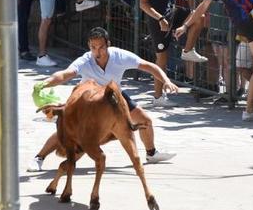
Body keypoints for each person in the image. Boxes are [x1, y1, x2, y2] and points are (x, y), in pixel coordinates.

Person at [27, 27, 178, 172]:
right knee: (68, 131)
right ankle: (39, 158)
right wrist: (45, 83)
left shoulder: (120, 56)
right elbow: (66, 74)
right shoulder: (85, 60)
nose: (97, 52)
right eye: (93, 47)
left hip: (113, 96)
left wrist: (166, 81)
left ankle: (151, 153)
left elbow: (150, 66)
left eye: (101, 47)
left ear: (108, 44)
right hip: (89, 101)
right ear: (89, 46)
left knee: (145, 120)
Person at [139, 0, 222, 104]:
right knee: (161, 59)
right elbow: (143, 4)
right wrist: (160, 18)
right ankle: (158, 97)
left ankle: (187, 50)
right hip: (157, 20)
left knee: (198, 17)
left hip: (172, 13)